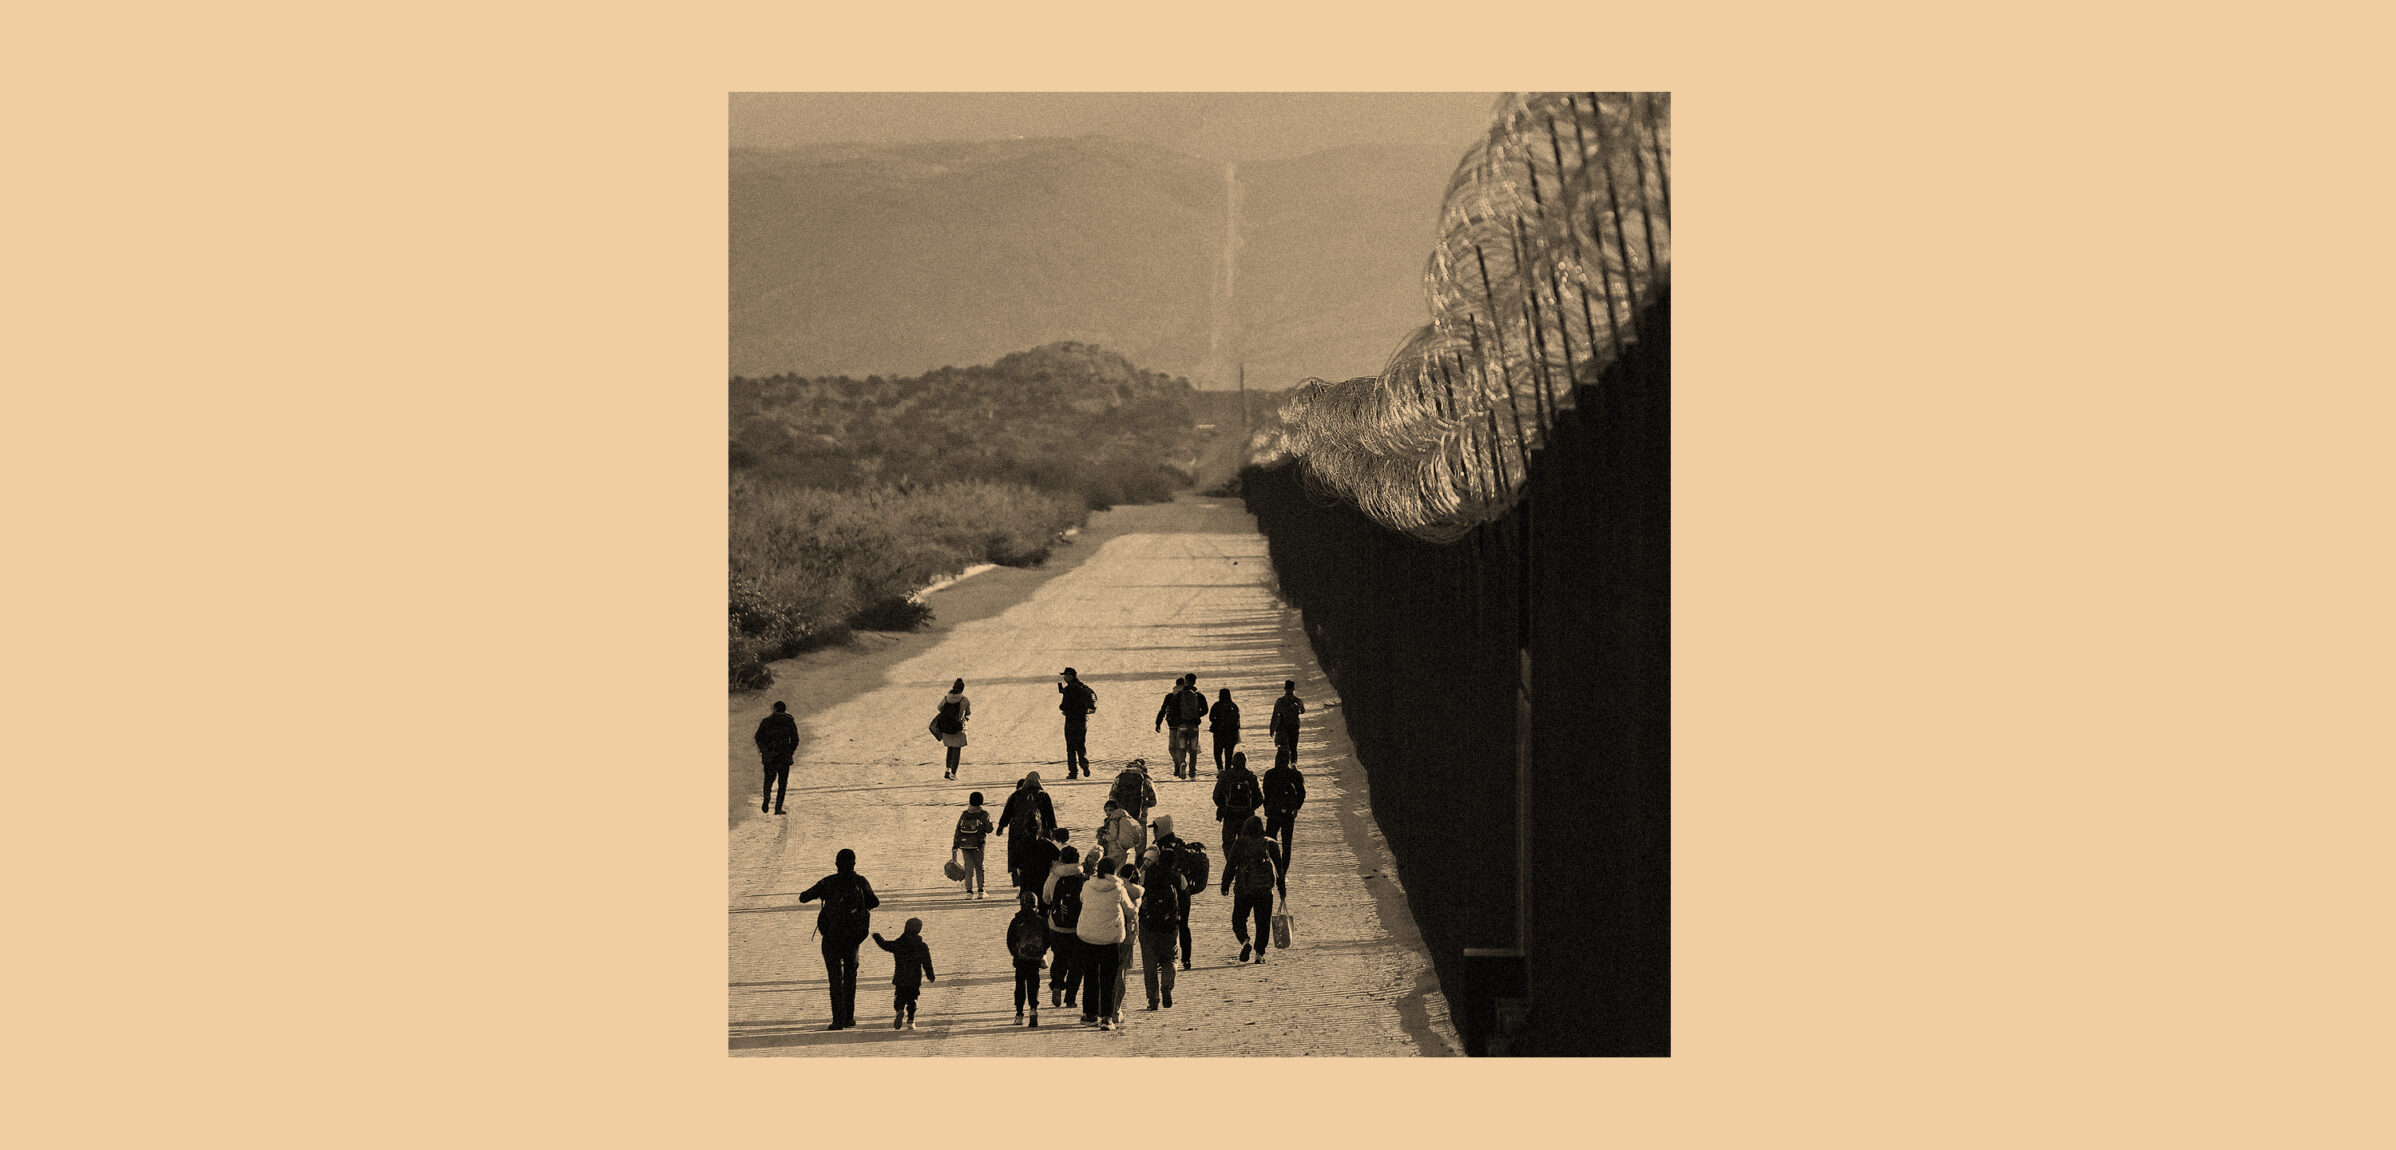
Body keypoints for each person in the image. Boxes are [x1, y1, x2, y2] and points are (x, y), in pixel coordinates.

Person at [797, 848, 879, 1029]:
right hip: (853, 938)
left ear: (836, 864)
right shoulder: (860, 881)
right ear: (854, 864)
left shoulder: (828, 882)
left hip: (831, 938)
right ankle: (849, 1017)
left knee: (835, 978)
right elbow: (874, 902)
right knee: (850, 976)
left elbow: (803, 897)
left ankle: (838, 1020)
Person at [1074, 857, 1136, 1030]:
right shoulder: (1118, 889)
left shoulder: (1087, 885)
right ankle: (1107, 1018)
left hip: (1088, 937)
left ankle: (1089, 1014)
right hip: (1110, 940)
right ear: (1114, 871)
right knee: (1108, 980)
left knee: (1090, 976)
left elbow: (1082, 899)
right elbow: (1129, 910)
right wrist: (1137, 906)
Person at [1221, 815, 1286, 964]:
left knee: (1238, 919)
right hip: (1265, 890)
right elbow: (1279, 869)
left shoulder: (1240, 843)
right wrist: (1282, 889)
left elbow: (1231, 865)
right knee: (1262, 923)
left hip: (1244, 888)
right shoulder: (1271, 844)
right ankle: (1259, 954)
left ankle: (1245, 941)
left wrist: (1225, 884)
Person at [1152, 814, 1206, 971]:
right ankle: (1186, 959)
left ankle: (1166, 959)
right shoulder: (1178, 844)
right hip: (1184, 892)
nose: (1154, 832)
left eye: (1156, 829)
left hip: (1171, 893)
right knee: (1183, 925)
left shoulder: (1166, 848)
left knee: (1167, 926)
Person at [1136, 845, 1184, 1010]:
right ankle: (1167, 984)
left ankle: (1153, 999)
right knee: (1171, 958)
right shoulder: (1176, 876)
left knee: (1149, 964)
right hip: (1170, 924)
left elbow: (1138, 893)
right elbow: (1185, 896)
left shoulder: (1146, 874)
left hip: (1148, 925)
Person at [1041, 846, 1087, 1012]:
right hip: (1078, 928)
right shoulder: (1081, 877)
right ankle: (1071, 998)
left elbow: (1046, 898)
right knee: (1077, 963)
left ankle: (1057, 985)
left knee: (1059, 958)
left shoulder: (1054, 875)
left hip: (1057, 926)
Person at [870, 917, 936, 1029]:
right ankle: (911, 1020)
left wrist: (877, 937)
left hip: (900, 977)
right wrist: (930, 975)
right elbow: (927, 962)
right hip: (915, 978)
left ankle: (899, 1010)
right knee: (912, 999)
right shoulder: (921, 946)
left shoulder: (899, 943)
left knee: (899, 997)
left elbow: (885, 945)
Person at [996, 773, 1056, 889]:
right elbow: (1050, 816)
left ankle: (1020, 884)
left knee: (1019, 857)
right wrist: (1053, 830)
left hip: (1017, 833)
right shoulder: (1044, 796)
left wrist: (1001, 827)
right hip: (1039, 832)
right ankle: (1042, 884)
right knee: (1040, 857)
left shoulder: (1016, 795)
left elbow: (1007, 813)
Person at [1261, 745, 1307, 868]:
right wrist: (1296, 807)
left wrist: (1268, 806)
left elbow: (1265, 792)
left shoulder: (1270, 774)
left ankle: (1272, 867)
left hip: (1273, 813)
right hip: (1288, 814)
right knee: (1287, 845)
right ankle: (1283, 872)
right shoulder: (1295, 775)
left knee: (1270, 841)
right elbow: (1302, 793)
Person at [1154, 674, 1208, 779]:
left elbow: (1171, 709)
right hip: (1194, 726)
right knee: (1193, 749)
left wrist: (1160, 722)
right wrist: (1196, 715)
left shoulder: (1176, 695)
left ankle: (1181, 763)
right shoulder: (1198, 695)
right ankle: (1192, 772)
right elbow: (1205, 710)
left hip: (1179, 726)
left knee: (1179, 748)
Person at [1006, 894, 1049, 1027]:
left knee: (1020, 986)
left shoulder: (1016, 921)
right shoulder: (1041, 921)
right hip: (1035, 959)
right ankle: (1033, 1010)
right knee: (1033, 984)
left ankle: (1019, 1014)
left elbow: (1010, 940)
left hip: (1020, 959)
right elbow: (1048, 938)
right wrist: (1042, 952)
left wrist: (1015, 953)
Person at [1212, 749, 1264, 854]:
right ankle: (1243, 866)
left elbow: (1216, 796)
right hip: (1246, 816)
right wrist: (1251, 807)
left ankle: (1231, 865)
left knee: (1228, 843)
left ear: (1232, 762)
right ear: (1245, 762)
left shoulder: (1226, 776)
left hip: (1229, 815)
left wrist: (1224, 806)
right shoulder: (1251, 777)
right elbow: (1260, 798)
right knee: (1246, 843)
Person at [753, 700, 798, 815]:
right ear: (784, 709)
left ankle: (767, 797)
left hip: (770, 756)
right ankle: (778, 808)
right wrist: (790, 751)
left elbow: (758, 737)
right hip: (784, 756)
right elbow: (795, 739)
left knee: (768, 780)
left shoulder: (766, 721)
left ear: (775, 709)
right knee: (782, 783)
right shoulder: (789, 721)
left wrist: (764, 750)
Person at [1106, 758, 1157, 853]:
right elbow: (1154, 801)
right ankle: (1138, 865)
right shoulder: (1146, 780)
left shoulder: (1119, 778)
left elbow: (1112, 797)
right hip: (1140, 817)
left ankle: (1120, 866)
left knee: (1121, 848)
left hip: (1122, 817)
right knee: (1140, 849)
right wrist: (1143, 805)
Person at [1056, 667, 1098, 779]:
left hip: (1071, 722)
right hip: (1082, 721)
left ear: (1071, 676)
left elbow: (1063, 706)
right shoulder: (1083, 687)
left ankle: (1073, 772)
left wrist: (1064, 707)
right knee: (1080, 745)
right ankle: (1084, 765)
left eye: (1065, 675)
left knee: (1070, 747)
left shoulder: (1070, 689)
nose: (1064, 678)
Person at [953, 792, 995, 899]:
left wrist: (955, 846)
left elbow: (958, 830)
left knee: (968, 867)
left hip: (964, 845)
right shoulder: (984, 814)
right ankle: (981, 891)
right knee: (979, 867)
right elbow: (989, 829)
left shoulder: (964, 814)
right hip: (978, 845)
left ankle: (969, 892)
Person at [934, 678, 971, 780]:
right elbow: (968, 713)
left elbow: (939, 708)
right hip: (958, 728)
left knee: (949, 748)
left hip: (946, 726)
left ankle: (948, 769)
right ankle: (953, 773)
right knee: (957, 750)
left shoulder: (946, 698)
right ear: (962, 689)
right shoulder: (964, 700)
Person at [1268, 680, 1306, 766]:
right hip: (1294, 727)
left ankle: (1281, 764)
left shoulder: (1280, 701)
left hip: (1282, 728)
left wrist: (1272, 728)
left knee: (1282, 748)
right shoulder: (1298, 701)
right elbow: (1303, 711)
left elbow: (1275, 715)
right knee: (1293, 748)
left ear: (1285, 689)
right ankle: (1293, 765)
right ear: (1293, 689)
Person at [1207, 688, 1241, 773]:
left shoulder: (1216, 705)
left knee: (1217, 752)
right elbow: (1237, 719)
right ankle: (1228, 769)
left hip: (1218, 732)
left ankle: (1220, 769)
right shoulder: (1233, 706)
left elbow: (1211, 717)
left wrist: (1217, 722)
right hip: (1231, 733)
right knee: (1229, 753)